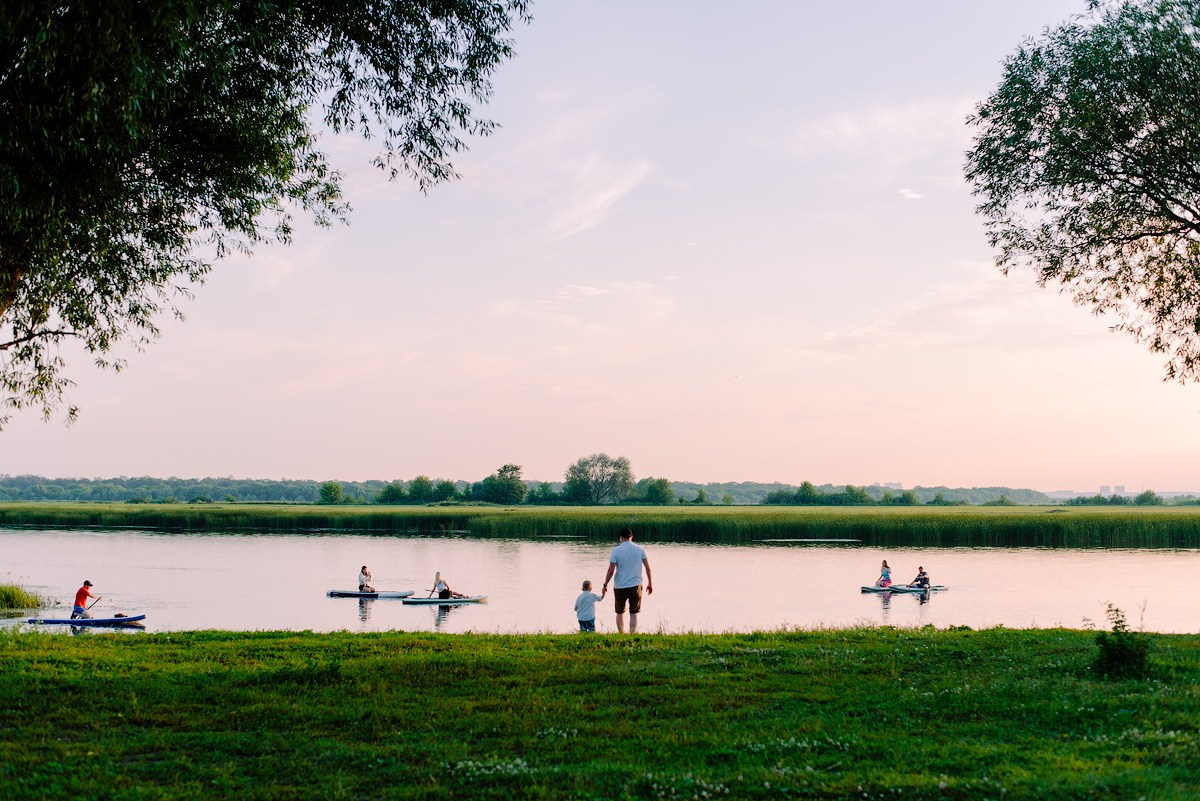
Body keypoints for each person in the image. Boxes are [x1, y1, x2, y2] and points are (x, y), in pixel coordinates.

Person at [602, 528, 653, 633]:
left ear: (620, 537)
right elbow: (648, 568)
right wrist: (650, 583)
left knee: (620, 612)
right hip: (636, 585)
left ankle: (621, 634)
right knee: (634, 613)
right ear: (631, 537)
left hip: (620, 586)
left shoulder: (616, 550)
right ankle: (632, 634)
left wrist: (605, 584)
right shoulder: (640, 549)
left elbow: (611, 570)